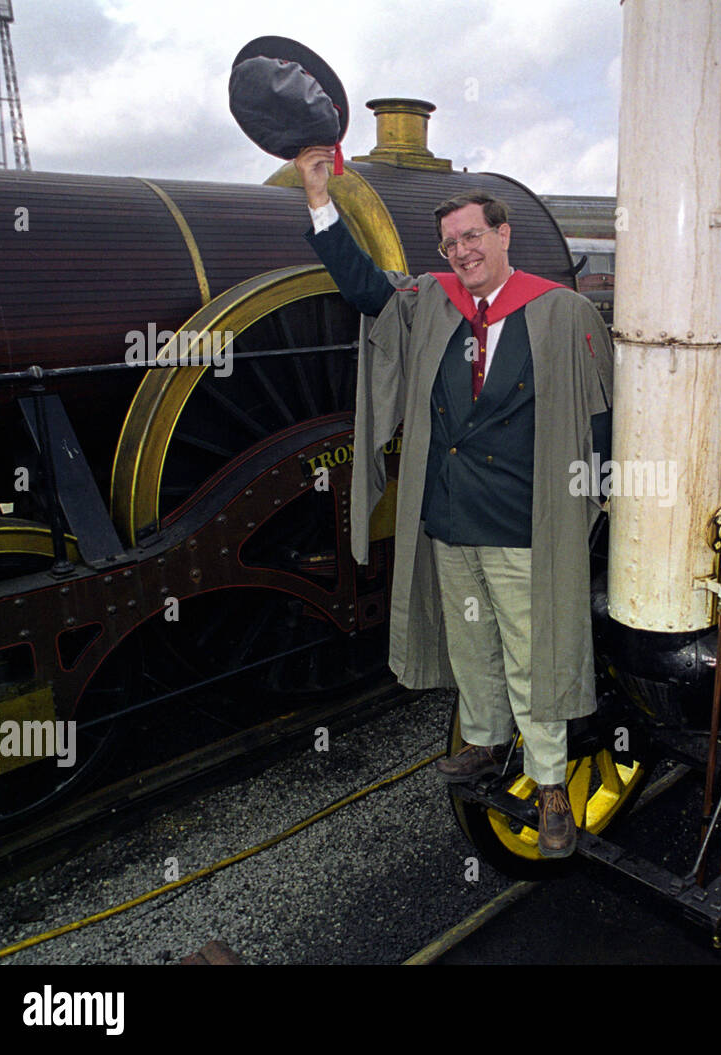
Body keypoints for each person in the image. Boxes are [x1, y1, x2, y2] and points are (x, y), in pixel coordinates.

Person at [295, 144, 613, 857]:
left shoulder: (562, 313)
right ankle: (485, 738)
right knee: (474, 646)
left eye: (473, 236)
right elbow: (364, 288)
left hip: (521, 521)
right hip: (450, 516)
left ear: (504, 235)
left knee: (534, 656)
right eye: (450, 242)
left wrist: (601, 502)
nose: (462, 250)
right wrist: (321, 199)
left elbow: (600, 417)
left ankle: (552, 782)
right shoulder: (433, 302)